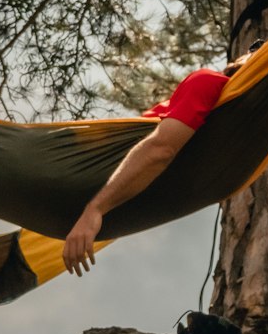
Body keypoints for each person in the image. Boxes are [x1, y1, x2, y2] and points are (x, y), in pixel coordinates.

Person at [62, 54, 252, 276]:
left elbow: (162, 150)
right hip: (99, 169)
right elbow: (159, 149)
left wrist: (95, 209)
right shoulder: (211, 85)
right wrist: (95, 210)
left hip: (113, 190)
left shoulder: (215, 90)